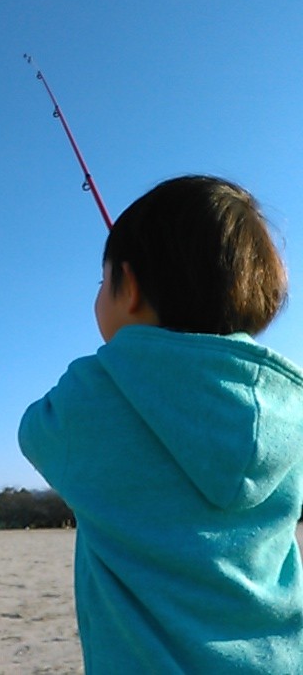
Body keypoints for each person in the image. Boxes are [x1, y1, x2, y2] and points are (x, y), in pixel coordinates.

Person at [18, 175, 303, 674]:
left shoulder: (93, 393)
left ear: (129, 288)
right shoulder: (289, 405)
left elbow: (34, 433)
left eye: (102, 282)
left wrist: (129, 353)